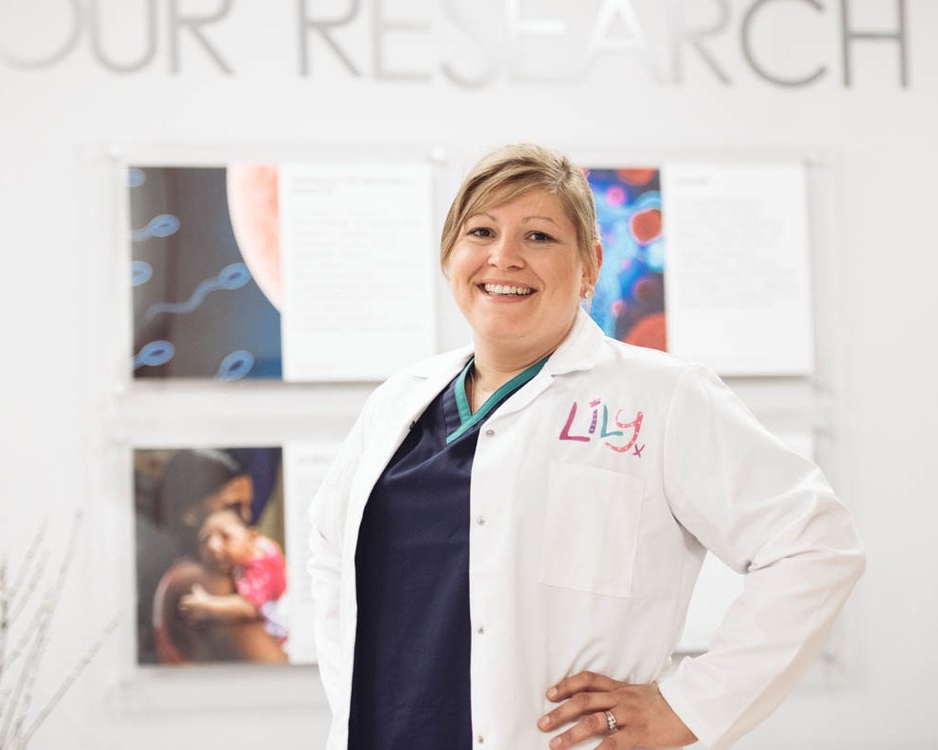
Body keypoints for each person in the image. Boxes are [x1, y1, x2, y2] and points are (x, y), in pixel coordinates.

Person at [306, 144, 865, 750]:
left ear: (590, 266)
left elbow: (814, 541)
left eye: (539, 236)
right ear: (450, 256)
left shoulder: (662, 396)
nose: (504, 257)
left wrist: (690, 707)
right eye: (481, 231)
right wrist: (353, 698)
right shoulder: (399, 401)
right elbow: (331, 551)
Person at [146, 449, 288, 664]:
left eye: (248, 505)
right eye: (233, 507)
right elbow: (276, 668)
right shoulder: (206, 581)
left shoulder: (188, 571)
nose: (247, 517)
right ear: (190, 514)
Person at [179, 509, 289, 643]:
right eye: (205, 539)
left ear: (251, 537)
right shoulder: (249, 553)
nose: (213, 546)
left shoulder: (261, 565)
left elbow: (248, 607)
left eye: (226, 537)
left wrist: (207, 605)